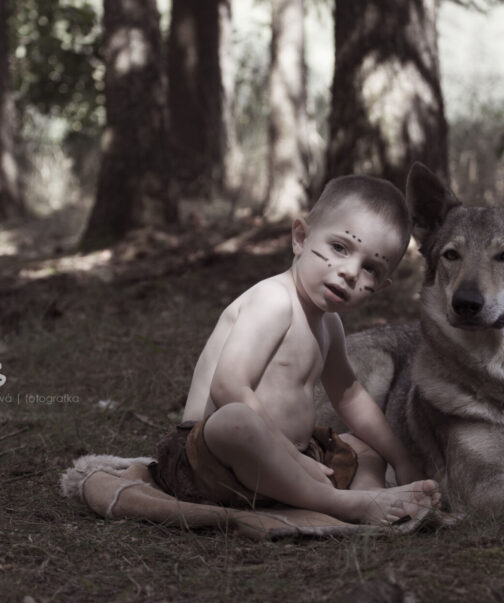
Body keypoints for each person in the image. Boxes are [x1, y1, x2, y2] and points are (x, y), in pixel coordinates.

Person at [150, 175, 440, 525]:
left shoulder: (330, 324)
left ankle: (370, 497)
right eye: (340, 248)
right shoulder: (273, 300)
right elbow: (229, 387)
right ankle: (342, 503)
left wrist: (401, 457)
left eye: (370, 269)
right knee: (235, 421)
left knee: (364, 448)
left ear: (382, 285)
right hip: (208, 460)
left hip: (290, 458)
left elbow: (349, 395)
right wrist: (291, 455)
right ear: (301, 237)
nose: (349, 272)